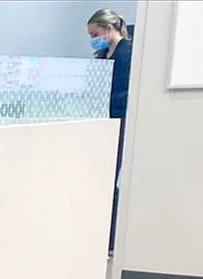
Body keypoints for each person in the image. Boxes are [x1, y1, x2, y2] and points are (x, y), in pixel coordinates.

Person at [88, 8, 133, 253]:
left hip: (120, 119)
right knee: (100, 178)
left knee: (111, 178)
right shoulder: (102, 55)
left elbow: (126, 91)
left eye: (95, 34)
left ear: (108, 28)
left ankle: (111, 238)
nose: (93, 39)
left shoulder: (128, 53)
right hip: (103, 121)